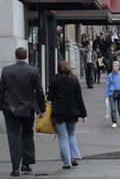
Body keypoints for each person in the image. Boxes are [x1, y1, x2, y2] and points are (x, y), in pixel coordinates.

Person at [0, 47, 46, 176]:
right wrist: (43, 109)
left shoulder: (6, 70)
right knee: (27, 134)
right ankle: (26, 163)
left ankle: (15, 167)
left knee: (13, 137)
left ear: (16, 57)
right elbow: (39, 91)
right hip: (28, 108)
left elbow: (1, 90)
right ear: (26, 56)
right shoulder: (34, 71)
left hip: (11, 108)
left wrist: (2, 106)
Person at [47, 60, 87, 169]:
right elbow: (79, 98)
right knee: (71, 134)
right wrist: (84, 114)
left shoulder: (55, 79)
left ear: (58, 68)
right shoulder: (74, 80)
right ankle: (74, 156)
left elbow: (50, 97)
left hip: (59, 111)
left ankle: (67, 162)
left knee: (63, 137)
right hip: (72, 111)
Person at [105, 61, 120, 128]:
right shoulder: (110, 75)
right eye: (113, 66)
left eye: (115, 66)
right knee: (113, 108)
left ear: (118, 67)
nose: (114, 67)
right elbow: (107, 85)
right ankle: (114, 122)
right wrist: (106, 95)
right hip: (112, 93)